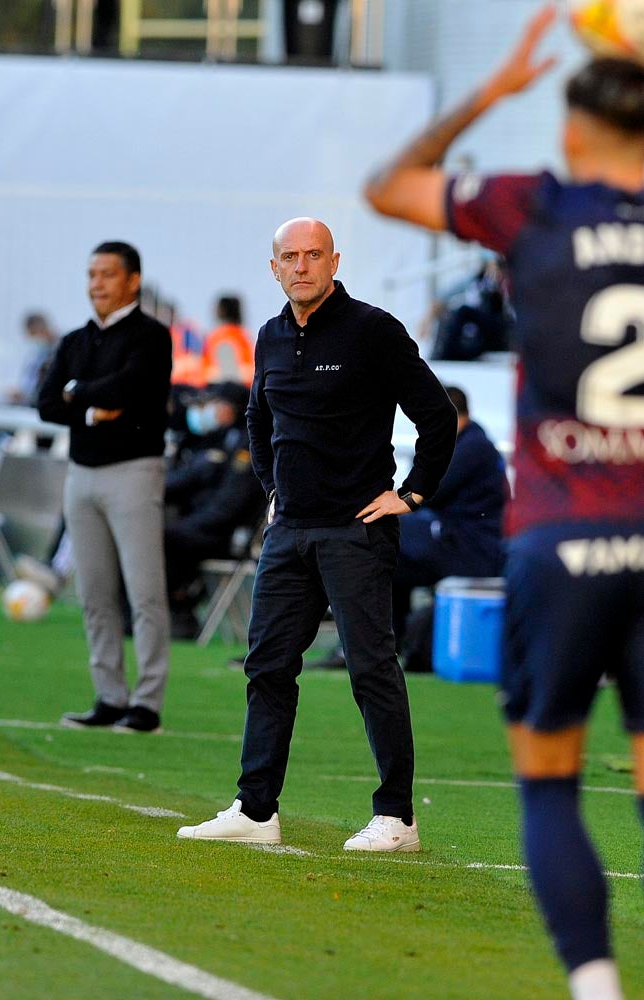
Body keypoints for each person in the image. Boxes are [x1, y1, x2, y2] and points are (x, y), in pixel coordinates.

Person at [364, 6, 644, 998]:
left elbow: (387, 188)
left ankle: (596, 983)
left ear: (568, 129)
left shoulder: (535, 206)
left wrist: (487, 94)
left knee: (549, 775)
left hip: (561, 537)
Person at [176, 216, 457, 851]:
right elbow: (257, 421)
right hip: (289, 533)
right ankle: (254, 811)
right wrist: (274, 494)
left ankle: (397, 818)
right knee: (268, 667)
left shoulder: (373, 330)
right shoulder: (271, 335)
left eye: (313, 255)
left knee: (370, 669)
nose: (301, 266)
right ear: (273, 267)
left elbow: (438, 416)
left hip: (356, 531)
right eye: (289, 257)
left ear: (334, 261)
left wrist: (410, 495)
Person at [38, 241, 172, 734]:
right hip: (81, 474)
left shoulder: (152, 336)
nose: (97, 282)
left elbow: (132, 388)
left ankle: (147, 703)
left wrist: (77, 393)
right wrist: (89, 405)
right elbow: (47, 403)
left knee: (144, 591)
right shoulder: (74, 340)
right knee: (93, 591)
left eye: (107, 273)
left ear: (132, 280)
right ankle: (110, 696)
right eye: (92, 273)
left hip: (134, 471)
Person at [394, 384, 509, 668]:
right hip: (462, 544)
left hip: (472, 551)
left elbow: (425, 491)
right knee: (390, 554)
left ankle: (390, 642)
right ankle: (391, 642)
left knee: (386, 537)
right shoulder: (471, 444)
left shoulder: (472, 448)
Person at [164, 380, 266, 639]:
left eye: (217, 404)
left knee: (168, 539)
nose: (210, 410)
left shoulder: (246, 444)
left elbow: (230, 506)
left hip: (226, 534)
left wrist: (189, 525)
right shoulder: (219, 439)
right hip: (210, 524)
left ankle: (181, 606)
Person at [6, 312, 59, 407]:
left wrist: (27, 396)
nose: (33, 339)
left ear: (40, 329)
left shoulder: (61, 348)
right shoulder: (39, 351)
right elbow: (30, 378)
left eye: (33, 334)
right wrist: (23, 394)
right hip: (31, 403)